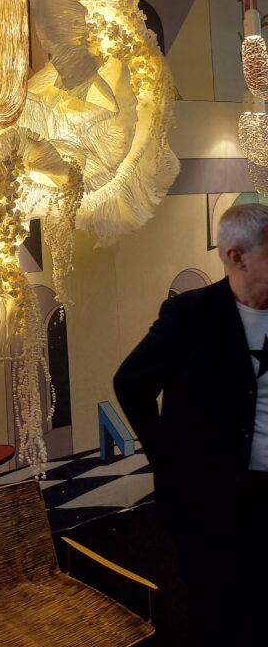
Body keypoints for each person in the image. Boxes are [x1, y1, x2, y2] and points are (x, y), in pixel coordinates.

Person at [114, 202, 268, 647]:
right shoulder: (191, 316)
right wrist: (169, 463)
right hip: (211, 503)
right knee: (217, 612)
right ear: (237, 257)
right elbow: (131, 383)